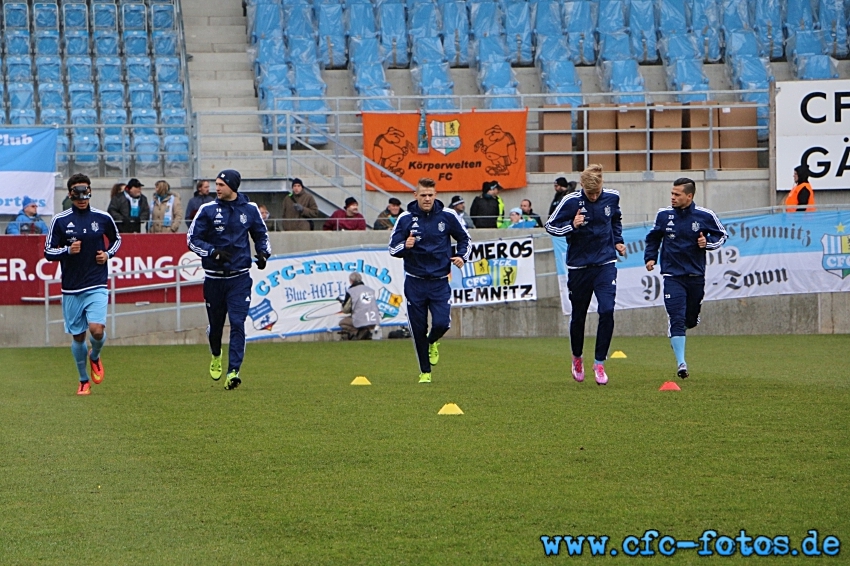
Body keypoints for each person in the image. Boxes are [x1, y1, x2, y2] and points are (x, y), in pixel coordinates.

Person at [188, 169, 271, 390]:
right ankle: (216, 353)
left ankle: (233, 371)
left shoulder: (250, 209)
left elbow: (260, 234)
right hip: (214, 279)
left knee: (237, 323)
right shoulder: (207, 210)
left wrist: (263, 254)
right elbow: (192, 239)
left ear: (233, 186)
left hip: (240, 278)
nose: (217, 188)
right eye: (216, 184)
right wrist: (212, 252)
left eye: (221, 184)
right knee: (216, 327)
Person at [545, 164, 625, 386]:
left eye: (597, 192)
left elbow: (616, 219)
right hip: (579, 267)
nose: (594, 197)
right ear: (582, 187)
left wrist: (618, 240)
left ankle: (599, 362)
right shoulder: (570, 201)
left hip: (605, 263)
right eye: (590, 194)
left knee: (607, 309)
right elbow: (550, 226)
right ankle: (577, 357)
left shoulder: (612, 198)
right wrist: (572, 225)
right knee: (578, 315)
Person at [44, 173, 122, 395]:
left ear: (90, 192)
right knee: (78, 336)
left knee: (96, 331)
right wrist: (67, 250)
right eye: (77, 194)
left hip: (96, 282)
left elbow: (117, 240)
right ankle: (83, 379)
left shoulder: (103, 217)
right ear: (70, 194)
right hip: (71, 287)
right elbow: (48, 251)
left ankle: (95, 356)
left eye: (85, 193)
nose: (82, 198)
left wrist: (107, 255)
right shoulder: (60, 220)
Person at [389, 177, 471, 383]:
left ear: (436, 195)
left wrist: (461, 256)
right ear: (415, 195)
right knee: (417, 328)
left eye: (430, 195)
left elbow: (465, 239)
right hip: (415, 282)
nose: (427, 199)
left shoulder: (448, 216)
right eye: (423, 195)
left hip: (439, 281)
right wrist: (405, 246)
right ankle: (425, 372)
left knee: (442, 323)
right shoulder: (405, 218)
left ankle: (433, 341)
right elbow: (392, 247)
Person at [644, 178, 727, 379]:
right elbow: (654, 237)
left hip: (696, 275)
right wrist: (651, 257)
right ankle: (681, 363)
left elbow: (722, 236)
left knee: (689, 319)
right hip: (672, 275)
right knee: (676, 318)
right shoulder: (664, 215)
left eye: (677, 194)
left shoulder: (705, 216)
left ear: (689, 196)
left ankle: (690, 321)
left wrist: (707, 243)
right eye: (672, 194)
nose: (672, 198)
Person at [338, 272, 382, 340]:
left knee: (342, 323)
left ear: (351, 281)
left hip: (361, 320)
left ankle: (358, 332)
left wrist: (343, 303)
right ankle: (366, 331)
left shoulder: (351, 291)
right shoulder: (370, 290)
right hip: (374, 320)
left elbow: (345, 310)